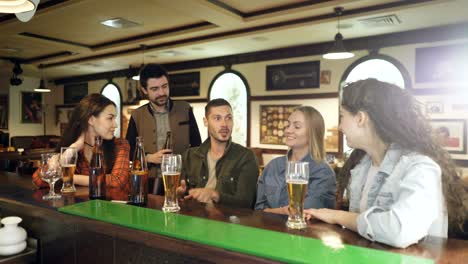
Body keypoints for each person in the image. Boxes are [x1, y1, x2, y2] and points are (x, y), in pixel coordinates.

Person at [304, 79, 467, 248]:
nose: (339, 126)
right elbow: (363, 232)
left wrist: (336, 215)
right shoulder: (362, 167)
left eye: (342, 116)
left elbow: (399, 231)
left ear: (360, 118)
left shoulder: (420, 167)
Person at [32, 94, 130, 200]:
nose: (115, 124)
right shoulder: (73, 146)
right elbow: (39, 180)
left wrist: (67, 177)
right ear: (91, 120)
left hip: (110, 211)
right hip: (76, 208)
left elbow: (117, 181)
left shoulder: (120, 145)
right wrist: (71, 149)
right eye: (110, 118)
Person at [125, 63, 201, 193]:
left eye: (164, 87)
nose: (161, 93)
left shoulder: (185, 109)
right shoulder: (137, 115)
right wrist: (148, 158)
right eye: (155, 89)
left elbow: (197, 146)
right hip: (148, 183)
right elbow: (127, 152)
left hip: (181, 182)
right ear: (144, 90)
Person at [177, 99, 259, 208]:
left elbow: (246, 202)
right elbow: (182, 193)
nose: (224, 124)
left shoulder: (245, 157)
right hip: (193, 217)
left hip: (227, 222)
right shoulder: (189, 156)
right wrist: (179, 194)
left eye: (228, 118)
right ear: (206, 122)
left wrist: (215, 195)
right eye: (217, 118)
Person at [255, 106, 336, 213]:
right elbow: (259, 209)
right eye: (288, 125)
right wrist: (284, 211)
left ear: (313, 132)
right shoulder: (273, 166)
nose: (288, 130)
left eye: (297, 126)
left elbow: (304, 212)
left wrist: (273, 211)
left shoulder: (323, 173)